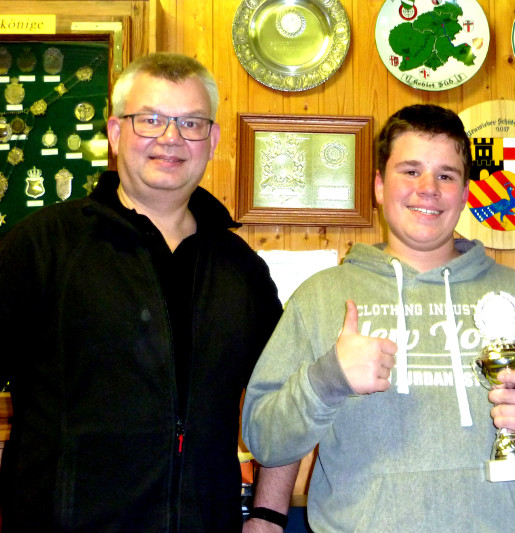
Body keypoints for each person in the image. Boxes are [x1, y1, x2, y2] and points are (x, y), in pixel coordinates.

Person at [242, 104, 515, 532]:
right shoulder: (321, 297)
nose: (428, 189)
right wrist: (327, 379)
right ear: (380, 187)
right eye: (410, 171)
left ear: (464, 194)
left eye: (446, 175)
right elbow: (265, 440)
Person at [0, 53, 296, 532]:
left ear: (212, 140)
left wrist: (266, 514)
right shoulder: (43, 246)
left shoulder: (241, 269)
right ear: (116, 134)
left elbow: (286, 399)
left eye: (191, 123)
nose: (171, 138)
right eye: (151, 120)